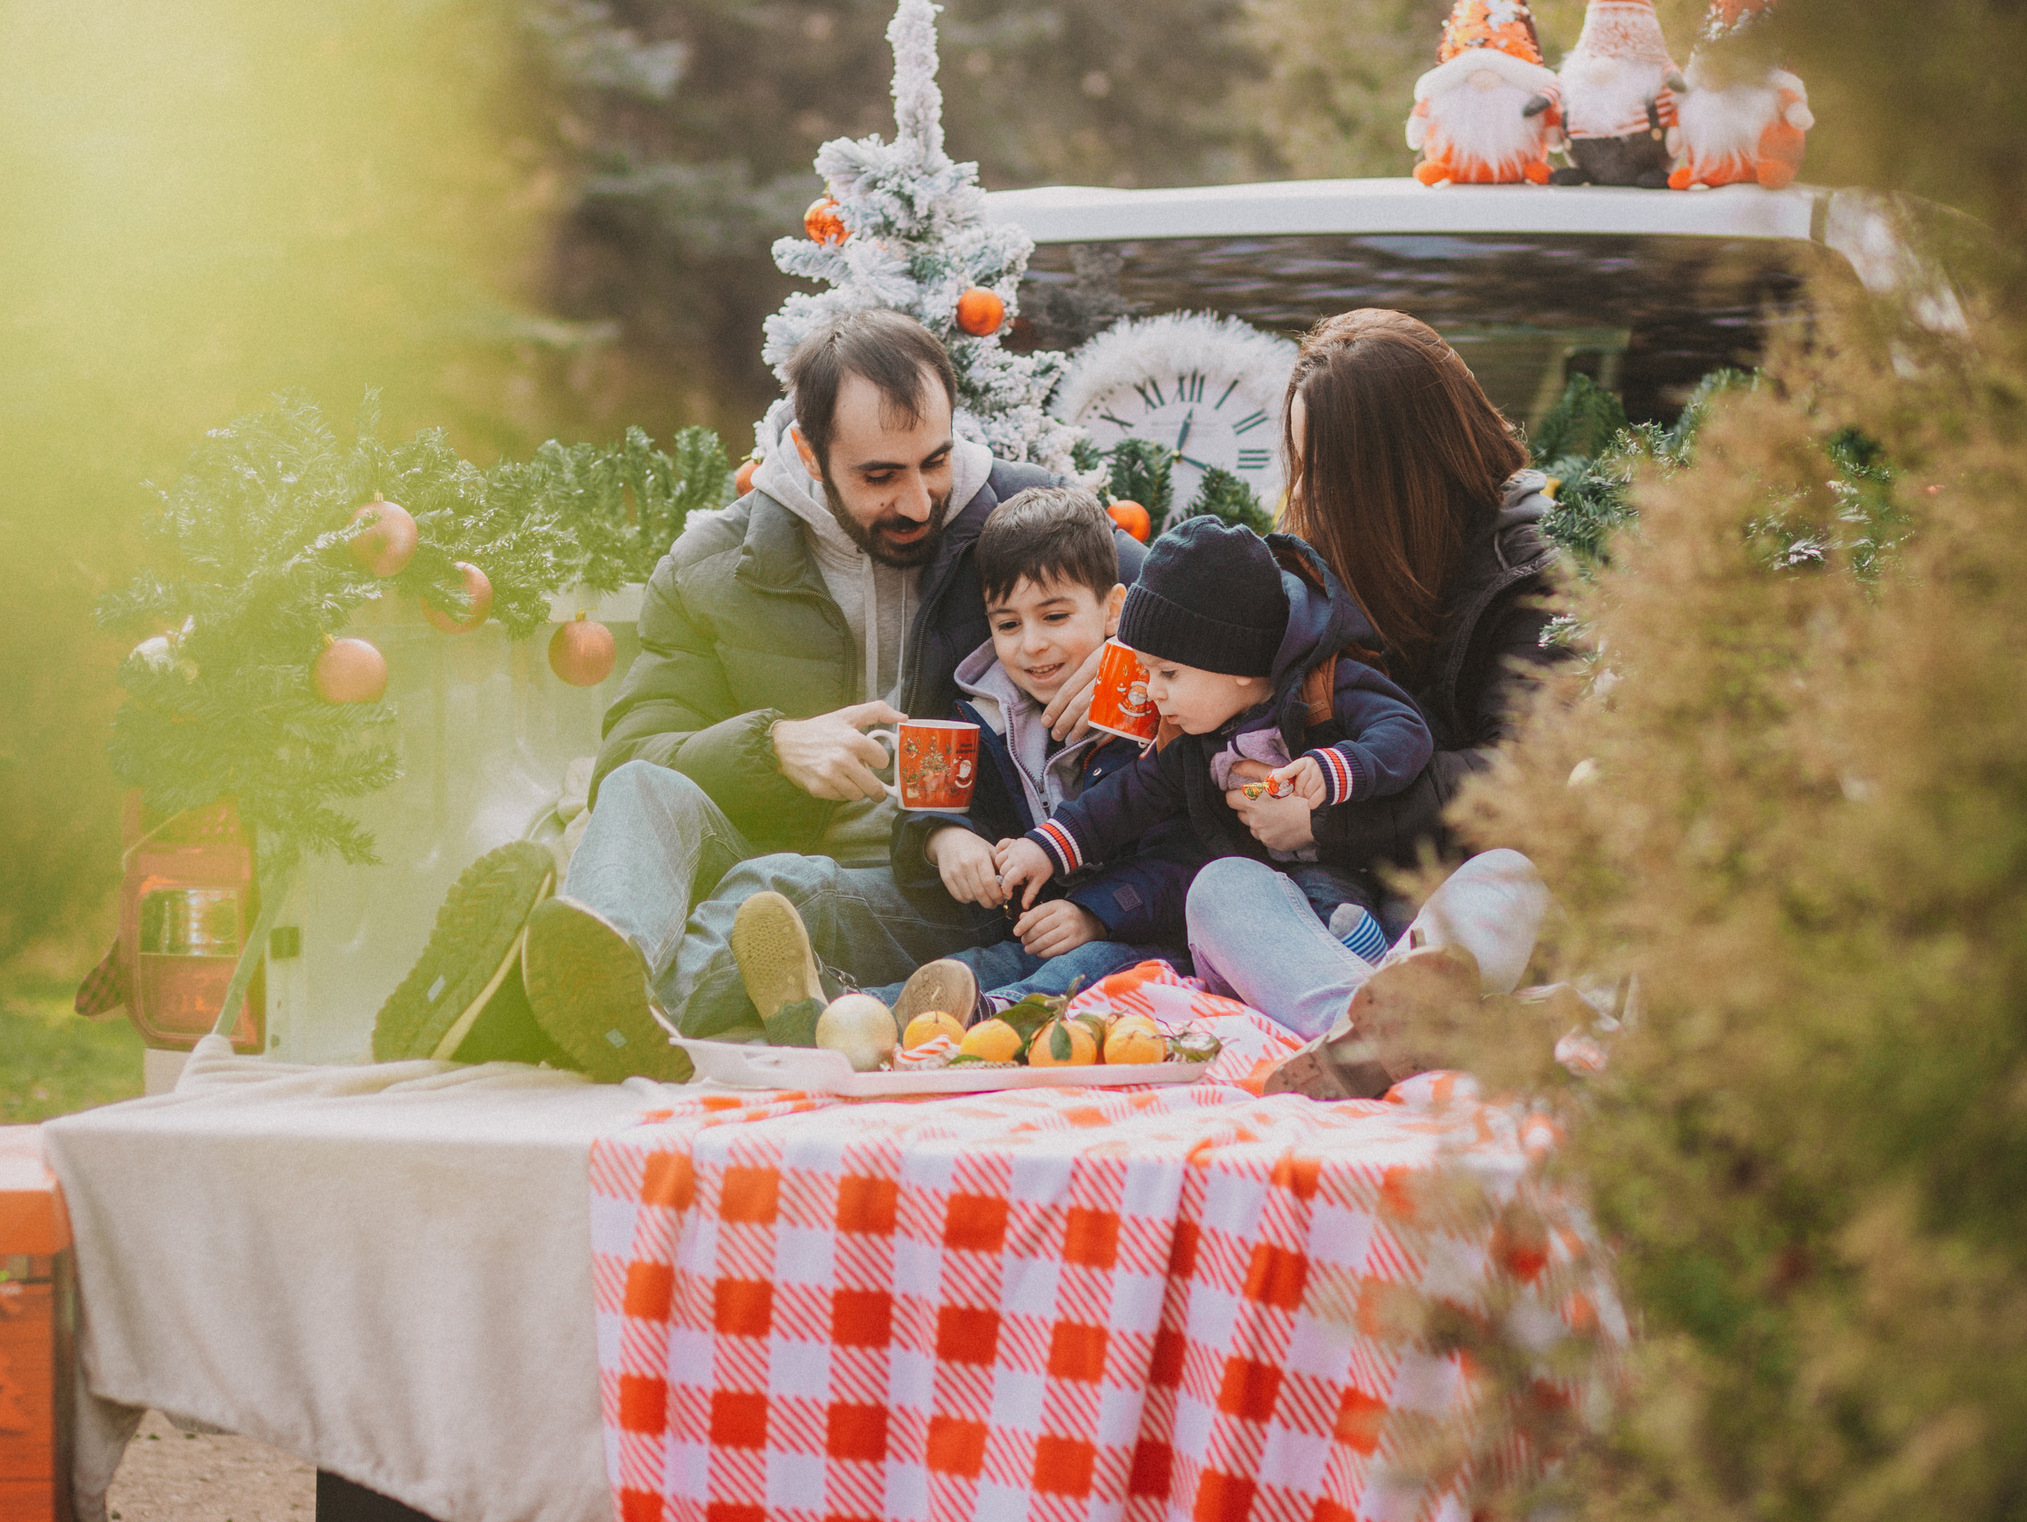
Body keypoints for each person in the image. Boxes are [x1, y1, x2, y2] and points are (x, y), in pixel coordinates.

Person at [370, 308, 1141, 1080]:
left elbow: (1200, 609)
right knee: (642, 787)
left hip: (939, 887)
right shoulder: (713, 565)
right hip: (764, 869)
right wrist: (770, 746)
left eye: (934, 462)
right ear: (808, 451)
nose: (916, 500)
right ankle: (598, 979)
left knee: (775, 892)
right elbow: (631, 752)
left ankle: (532, 1011)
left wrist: (1122, 657)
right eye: (879, 476)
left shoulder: (1026, 523)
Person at [1177, 308, 1569, 1094]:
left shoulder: (1533, 574)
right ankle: (1367, 1030)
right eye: (1299, 463)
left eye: (1322, 468)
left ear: (1392, 469)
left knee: (1510, 874)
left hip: (1451, 900)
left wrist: (1326, 818)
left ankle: (1369, 1031)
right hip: (1337, 911)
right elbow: (1223, 670)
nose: (1302, 491)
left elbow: (1524, 777)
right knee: (1219, 889)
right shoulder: (1315, 569)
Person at [844, 486, 1200, 1031]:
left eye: (1054, 616)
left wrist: (1097, 913)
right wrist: (944, 835)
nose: (1030, 644)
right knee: (980, 964)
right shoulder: (981, 710)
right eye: (1008, 624)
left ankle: (980, 1017)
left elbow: (1189, 855)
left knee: (1091, 966)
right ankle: (846, 1016)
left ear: (1113, 610)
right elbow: (925, 805)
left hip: (1132, 935)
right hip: (1015, 925)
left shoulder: (1161, 713)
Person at [992, 513, 1436, 949]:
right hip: (1261, 879)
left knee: (1330, 909)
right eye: (1147, 672)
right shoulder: (1191, 738)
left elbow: (1405, 730)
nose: (1153, 691)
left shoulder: (1326, 685)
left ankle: (1363, 960)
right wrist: (1047, 847)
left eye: (1168, 673)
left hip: (1356, 862)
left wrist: (1336, 767)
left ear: (1237, 663)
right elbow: (1125, 798)